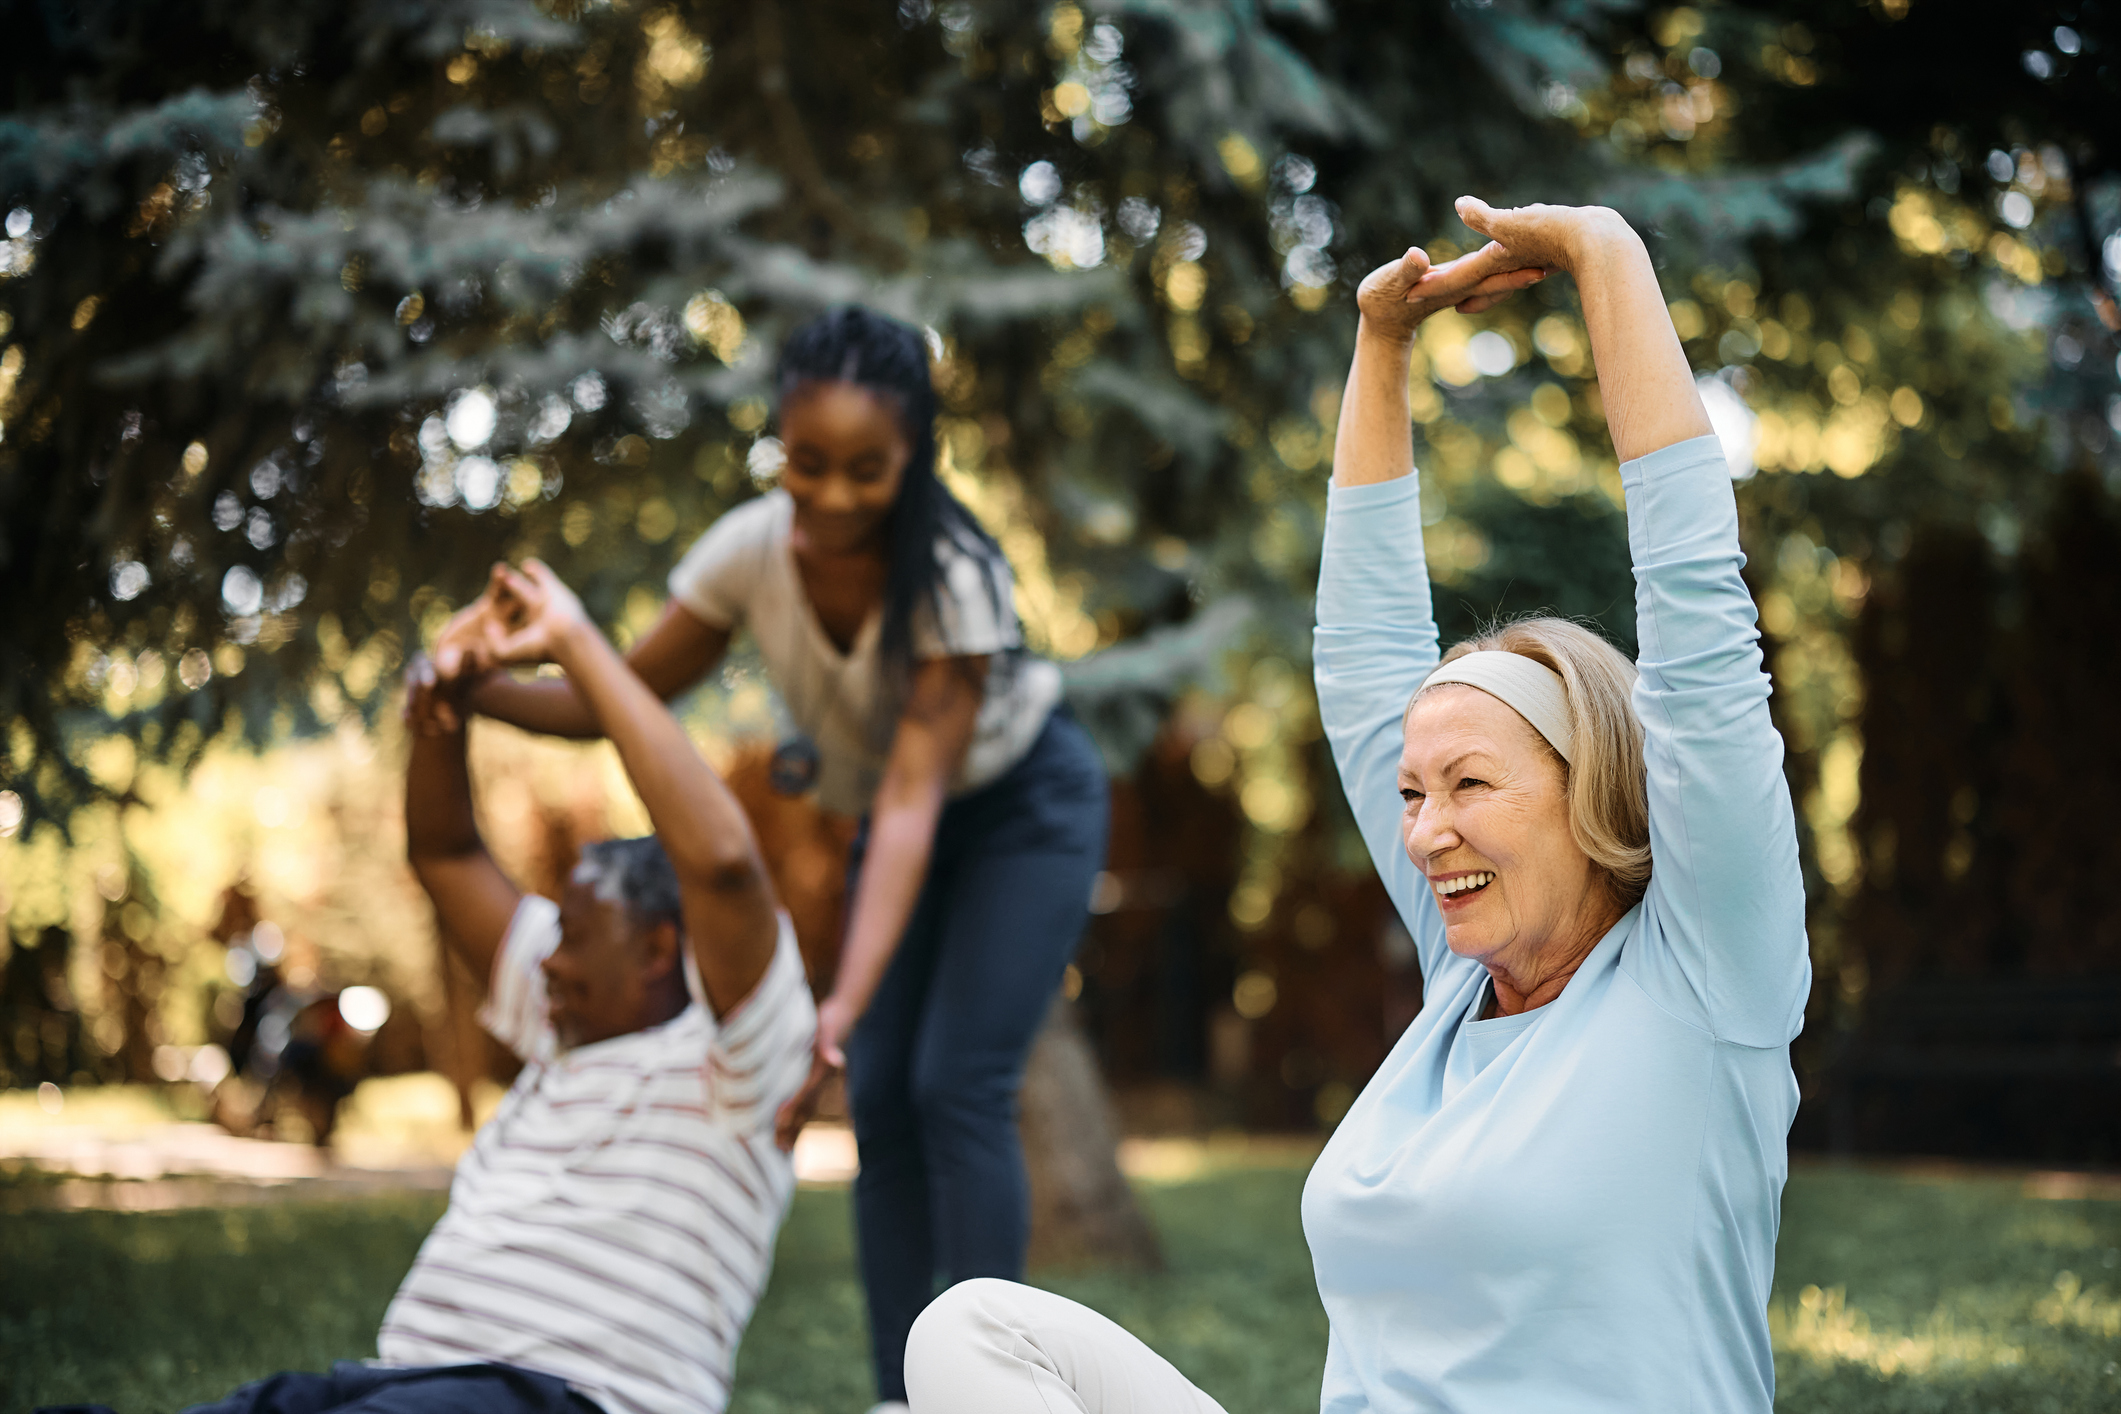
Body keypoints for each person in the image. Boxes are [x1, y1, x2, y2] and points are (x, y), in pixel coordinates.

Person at [900, 197, 1810, 1414]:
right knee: (970, 1334)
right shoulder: (1459, 979)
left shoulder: (1706, 975)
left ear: (1591, 790)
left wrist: (1606, 254)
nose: (1426, 832)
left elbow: (1700, 621)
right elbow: (1366, 657)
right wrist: (1381, 347)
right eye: (1414, 792)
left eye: (1472, 785)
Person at [424, 306, 1111, 1411]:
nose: (833, 494)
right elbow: (617, 695)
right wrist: (462, 683)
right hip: (897, 827)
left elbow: (908, 802)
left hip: (1021, 810)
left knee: (955, 1085)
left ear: (914, 460)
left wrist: (840, 997)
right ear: (779, 447)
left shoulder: (952, 573)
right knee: (881, 1097)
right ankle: (903, 1397)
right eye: (808, 463)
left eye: (868, 470)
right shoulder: (747, 553)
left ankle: (996, 1396)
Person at [56, 560, 817, 1414]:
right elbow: (448, 854)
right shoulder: (567, 1020)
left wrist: (570, 641)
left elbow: (719, 862)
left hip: (572, 1403)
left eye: (574, 938)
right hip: (404, 1388)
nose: (549, 961)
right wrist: (449, 699)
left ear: (657, 950)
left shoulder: (742, 1060)